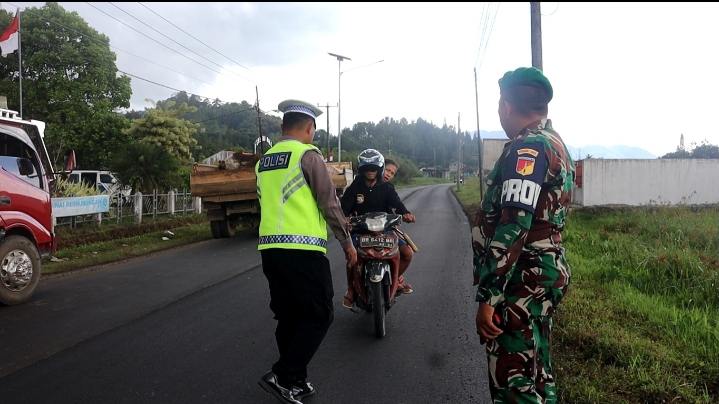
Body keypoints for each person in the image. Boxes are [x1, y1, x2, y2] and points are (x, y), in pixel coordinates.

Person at [472, 67, 574, 403]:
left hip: (521, 280)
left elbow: (515, 224)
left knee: (512, 381)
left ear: (506, 105)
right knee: (537, 373)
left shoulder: (526, 148)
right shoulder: (555, 143)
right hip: (542, 272)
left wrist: (490, 294)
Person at [257, 99, 357, 404]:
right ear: (309, 127)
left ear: (282, 126)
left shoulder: (264, 161)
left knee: (289, 317)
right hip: (302, 249)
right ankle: (283, 374)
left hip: (270, 250)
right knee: (319, 314)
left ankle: (296, 382)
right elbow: (329, 203)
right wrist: (347, 243)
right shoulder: (307, 155)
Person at [340, 149, 416, 309]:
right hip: (361, 231)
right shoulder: (355, 186)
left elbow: (397, 203)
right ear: (361, 169)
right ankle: (351, 289)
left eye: (374, 168)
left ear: (379, 168)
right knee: (352, 258)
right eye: (367, 168)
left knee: (407, 253)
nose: (370, 172)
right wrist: (344, 218)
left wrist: (406, 213)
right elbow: (344, 207)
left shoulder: (387, 187)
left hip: (387, 229)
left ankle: (397, 280)